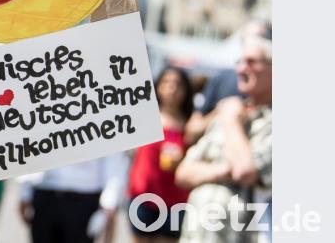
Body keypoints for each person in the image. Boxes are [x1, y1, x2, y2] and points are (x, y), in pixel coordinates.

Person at [175, 36, 272, 243]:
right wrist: (224, 171)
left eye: (252, 62)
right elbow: (183, 173)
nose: (241, 69)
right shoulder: (232, 111)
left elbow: (245, 171)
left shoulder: (266, 122)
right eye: (240, 61)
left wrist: (230, 120)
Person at [127, 67, 195, 243]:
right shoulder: (144, 117)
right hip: (144, 195)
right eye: (167, 83)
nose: (172, 88)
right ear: (158, 86)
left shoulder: (192, 124)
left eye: (178, 84)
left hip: (175, 201)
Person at [184, 21, 271, 144]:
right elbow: (191, 131)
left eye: (261, 37)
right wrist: (223, 112)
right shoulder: (222, 78)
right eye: (246, 37)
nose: (243, 68)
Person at [19, 153, 129, 243]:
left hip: (83, 200)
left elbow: (114, 158)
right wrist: (24, 191)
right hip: (45, 193)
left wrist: (109, 205)